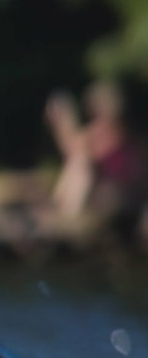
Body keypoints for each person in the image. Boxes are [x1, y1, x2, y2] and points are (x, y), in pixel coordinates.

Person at [45, 77, 144, 242]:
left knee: (82, 165)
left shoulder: (115, 131)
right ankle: (63, 209)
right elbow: (74, 147)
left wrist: (63, 121)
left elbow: (76, 149)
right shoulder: (107, 129)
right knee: (79, 162)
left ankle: (67, 213)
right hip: (112, 191)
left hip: (124, 194)